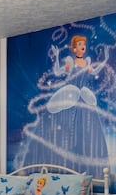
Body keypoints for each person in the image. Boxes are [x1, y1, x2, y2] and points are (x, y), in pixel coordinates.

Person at [22, 35, 110, 175]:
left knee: (86, 130)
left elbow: (95, 71)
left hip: (83, 99)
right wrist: (57, 56)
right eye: (80, 44)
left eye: (83, 44)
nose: (83, 47)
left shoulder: (87, 63)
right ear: (74, 48)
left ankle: (83, 169)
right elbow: (57, 71)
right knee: (62, 129)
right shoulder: (71, 63)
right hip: (70, 97)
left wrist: (105, 60)